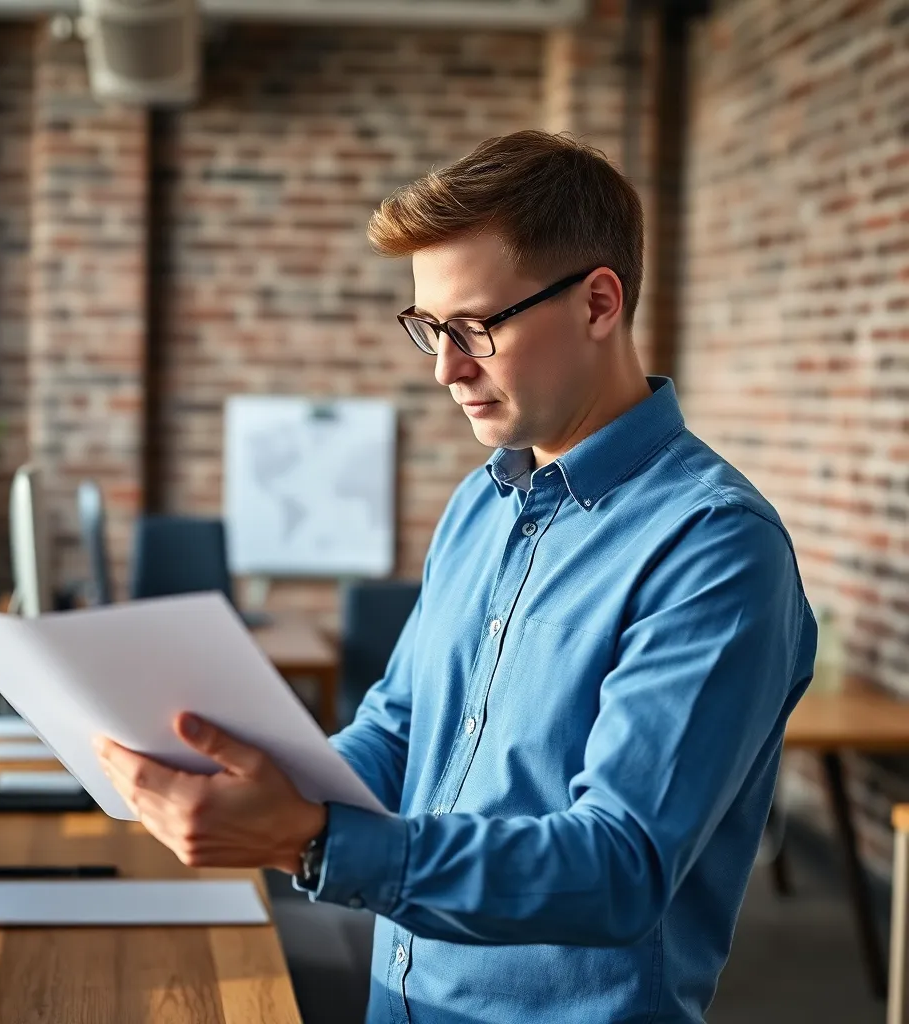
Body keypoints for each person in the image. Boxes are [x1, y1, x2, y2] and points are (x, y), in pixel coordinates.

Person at [96, 130, 817, 1023]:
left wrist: (314, 840)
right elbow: (400, 732)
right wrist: (259, 778)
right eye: (429, 329)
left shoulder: (714, 547)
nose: (445, 368)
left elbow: (620, 867)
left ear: (598, 303)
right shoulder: (481, 504)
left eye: (475, 327)